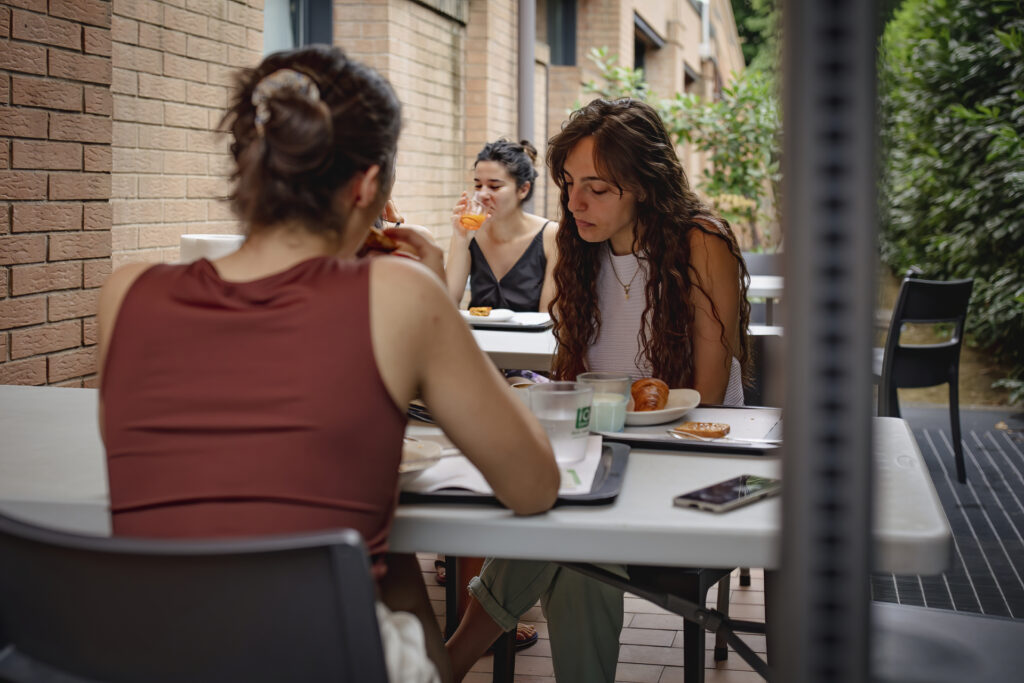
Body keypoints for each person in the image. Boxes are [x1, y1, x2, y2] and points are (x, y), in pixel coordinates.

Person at [96, 45, 561, 683]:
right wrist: (432, 308)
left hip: (142, 656)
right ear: (368, 185)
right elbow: (534, 487)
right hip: (316, 658)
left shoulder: (126, 293)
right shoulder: (401, 296)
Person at [445, 98, 752, 682]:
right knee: (575, 541)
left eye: (597, 188)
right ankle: (451, 661)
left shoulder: (699, 241)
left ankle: (451, 660)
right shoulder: (579, 251)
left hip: (691, 467)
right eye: (568, 185)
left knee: (569, 533)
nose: (576, 203)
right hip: (606, 461)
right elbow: (569, 382)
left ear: (640, 184)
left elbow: (707, 396)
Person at [445, 139, 557, 312]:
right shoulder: (471, 234)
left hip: (531, 338)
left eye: (494, 186)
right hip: (478, 337)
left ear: (523, 190)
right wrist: (460, 239)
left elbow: (549, 320)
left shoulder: (550, 236)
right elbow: (447, 304)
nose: (482, 194)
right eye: (478, 185)